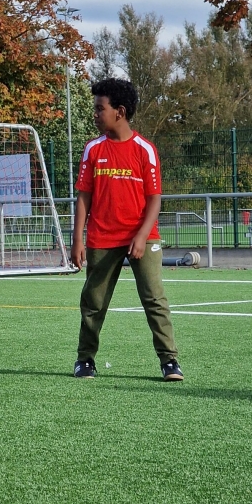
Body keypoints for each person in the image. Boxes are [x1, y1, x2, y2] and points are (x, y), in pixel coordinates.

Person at [71, 78, 183, 381]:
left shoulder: (145, 149)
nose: (95, 114)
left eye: (100, 108)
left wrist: (142, 236)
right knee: (93, 302)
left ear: (119, 112)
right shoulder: (93, 149)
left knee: (154, 299)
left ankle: (169, 361)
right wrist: (77, 238)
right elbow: (84, 196)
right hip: (102, 237)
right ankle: (85, 360)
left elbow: (154, 199)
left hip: (142, 236)